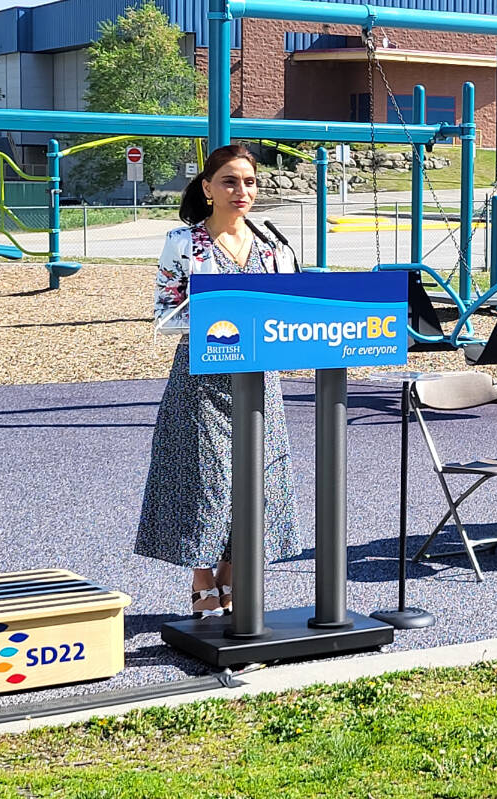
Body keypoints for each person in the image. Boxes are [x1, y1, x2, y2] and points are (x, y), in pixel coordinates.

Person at [136, 144, 300, 618]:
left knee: (256, 481)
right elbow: (165, 315)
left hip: (259, 382)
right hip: (202, 382)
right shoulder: (183, 243)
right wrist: (216, 314)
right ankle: (202, 577)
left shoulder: (273, 246)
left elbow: (289, 311)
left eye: (249, 182)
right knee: (207, 482)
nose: (241, 191)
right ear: (207, 188)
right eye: (229, 181)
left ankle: (232, 572)